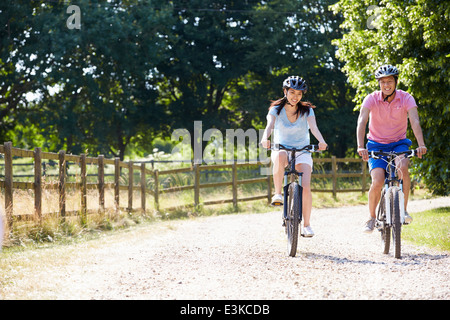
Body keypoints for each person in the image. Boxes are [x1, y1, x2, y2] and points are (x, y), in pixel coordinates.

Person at [356, 64, 427, 233]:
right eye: (382, 82)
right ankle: (371, 217)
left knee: (403, 168)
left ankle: (403, 210)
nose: (386, 85)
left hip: (399, 143)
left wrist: (421, 144)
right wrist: (360, 146)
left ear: (396, 81)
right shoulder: (371, 98)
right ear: (379, 84)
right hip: (376, 143)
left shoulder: (406, 98)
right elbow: (362, 121)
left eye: (389, 81)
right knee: (378, 181)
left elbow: (414, 121)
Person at [260, 76, 327, 237]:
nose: (295, 96)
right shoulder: (275, 109)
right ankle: (278, 194)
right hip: (281, 148)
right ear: (285, 92)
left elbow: (313, 128)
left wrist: (321, 141)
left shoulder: (307, 110)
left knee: (306, 185)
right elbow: (269, 126)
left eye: (299, 93)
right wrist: (264, 138)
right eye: (292, 92)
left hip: (302, 150)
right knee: (281, 155)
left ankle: (307, 225)